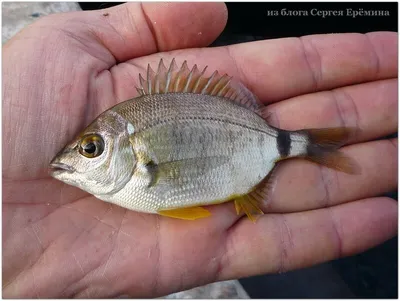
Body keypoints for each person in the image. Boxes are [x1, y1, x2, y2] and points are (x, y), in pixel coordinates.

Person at [3, 2, 397, 298]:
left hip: (250, 147)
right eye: (90, 148)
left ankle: (303, 144)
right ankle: (307, 145)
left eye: (91, 148)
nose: (76, 159)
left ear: (132, 149)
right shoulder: (127, 179)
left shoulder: (138, 178)